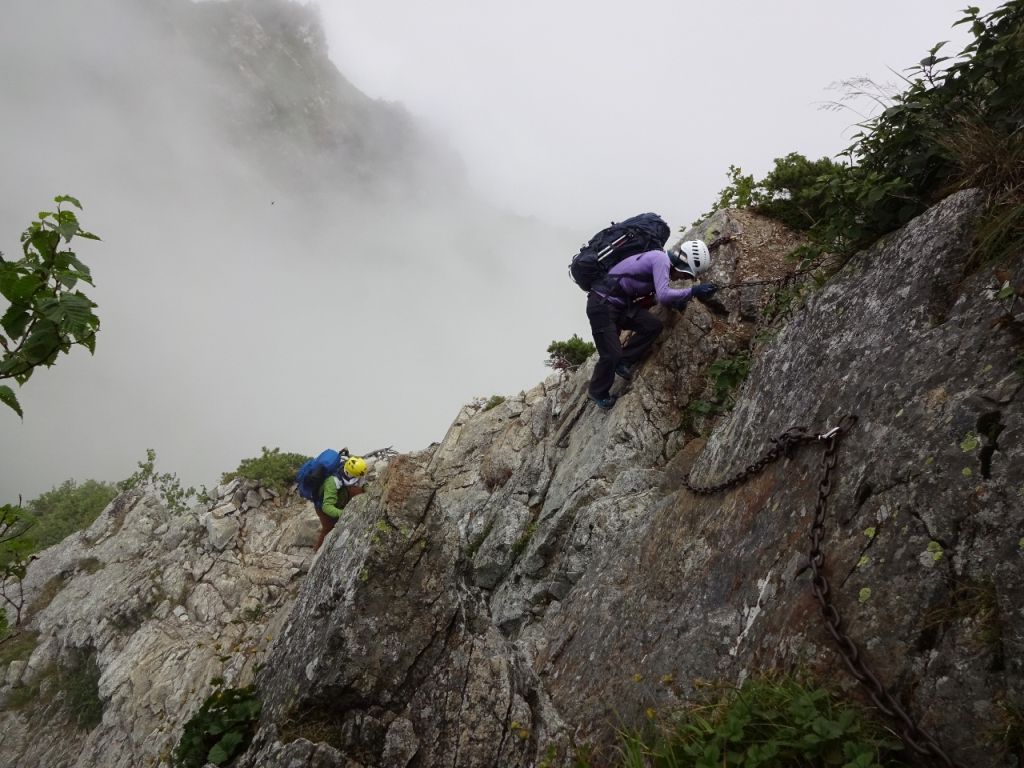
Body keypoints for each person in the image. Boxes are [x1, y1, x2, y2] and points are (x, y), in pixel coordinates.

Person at [586, 239, 718, 410]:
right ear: (683, 263)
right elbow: (663, 294)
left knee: (652, 325)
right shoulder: (660, 260)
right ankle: (597, 392)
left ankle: (624, 361)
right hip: (601, 304)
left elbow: (655, 295)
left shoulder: (661, 262)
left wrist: (677, 301)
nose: (682, 278)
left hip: (620, 305)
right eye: (685, 274)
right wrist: (692, 291)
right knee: (611, 353)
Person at [314, 455, 368, 551]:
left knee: (357, 490)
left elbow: (363, 483)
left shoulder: (354, 472)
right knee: (328, 528)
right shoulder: (332, 481)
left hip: (340, 497)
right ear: (349, 472)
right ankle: (318, 551)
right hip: (323, 505)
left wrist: (368, 489)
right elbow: (326, 506)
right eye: (357, 476)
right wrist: (344, 514)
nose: (359, 478)